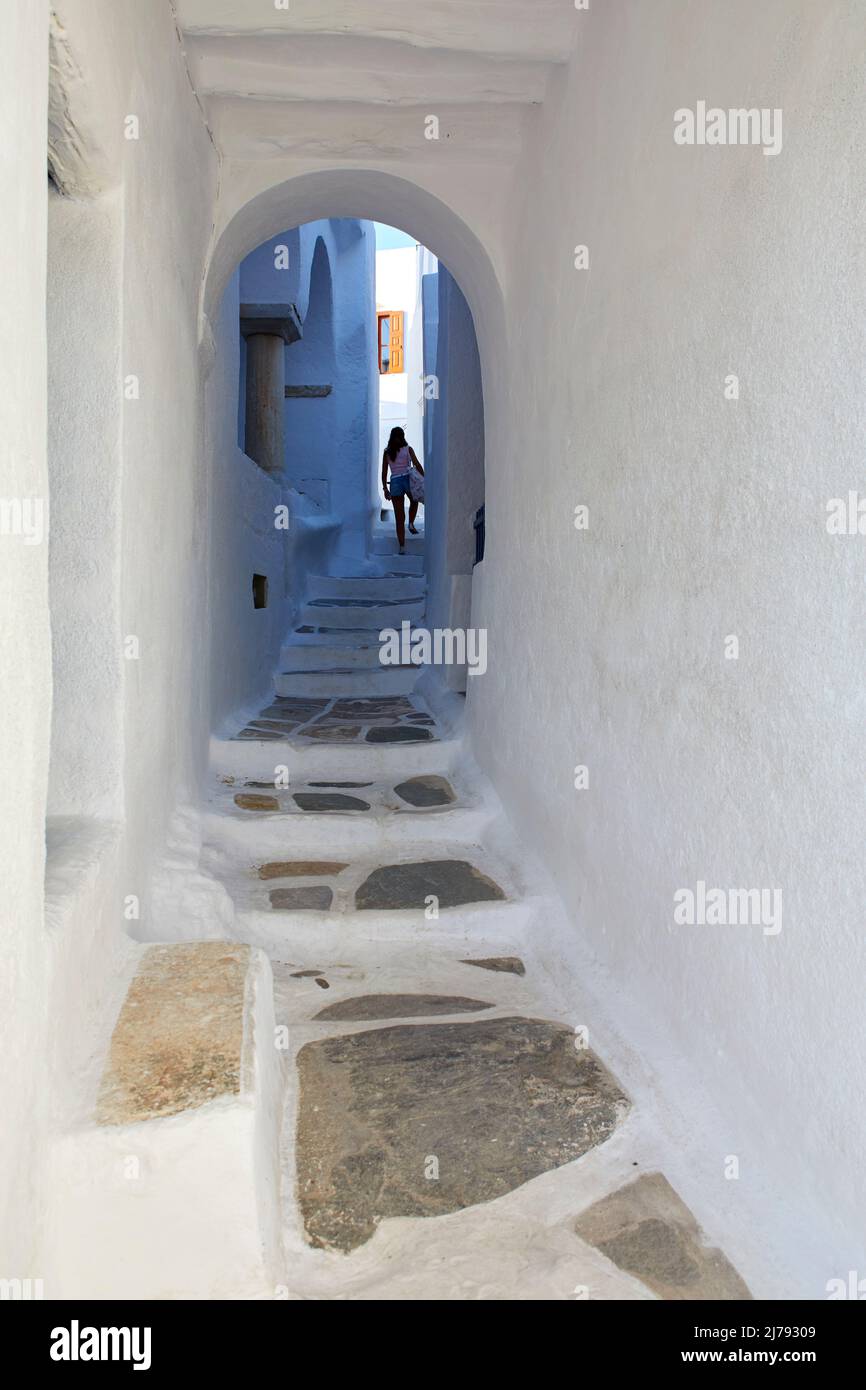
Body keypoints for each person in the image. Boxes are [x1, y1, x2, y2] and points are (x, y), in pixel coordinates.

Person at [381, 427, 424, 553]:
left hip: (395, 482)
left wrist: (385, 488)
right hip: (408, 479)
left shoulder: (387, 452)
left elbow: (384, 472)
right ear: (403, 436)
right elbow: (417, 464)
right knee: (414, 500)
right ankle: (411, 523)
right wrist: (425, 478)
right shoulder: (408, 449)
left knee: (399, 517)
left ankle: (402, 546)